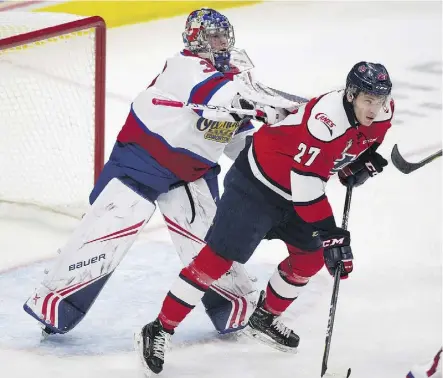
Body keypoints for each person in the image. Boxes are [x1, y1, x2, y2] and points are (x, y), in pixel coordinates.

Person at [23, 8, 302, 337]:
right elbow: (219, 95)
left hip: (192, 171)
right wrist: (265, 104)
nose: (219, 42)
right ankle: (54, 309)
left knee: (212, 243)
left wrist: (283, 159)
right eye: (211, 35)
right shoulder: (184, 66)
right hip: (143, 162)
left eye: (223, 36)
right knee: (103, 237)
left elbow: (238, 141)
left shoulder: (237, 79)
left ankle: (234, 308)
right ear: (194, 37)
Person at [135, 61, 395, 375]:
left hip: (295, 191)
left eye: (379, 100)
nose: (375, 108)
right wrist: (330, 233)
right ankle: (160, 328)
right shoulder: (326, 121)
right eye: (368, 100)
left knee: (309, 259)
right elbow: (307, 188)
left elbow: (356, 145)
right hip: (256, 186)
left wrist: (357, 163)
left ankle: (265, 317)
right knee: (216, 261)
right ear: (351, 95)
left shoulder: (383, 112)